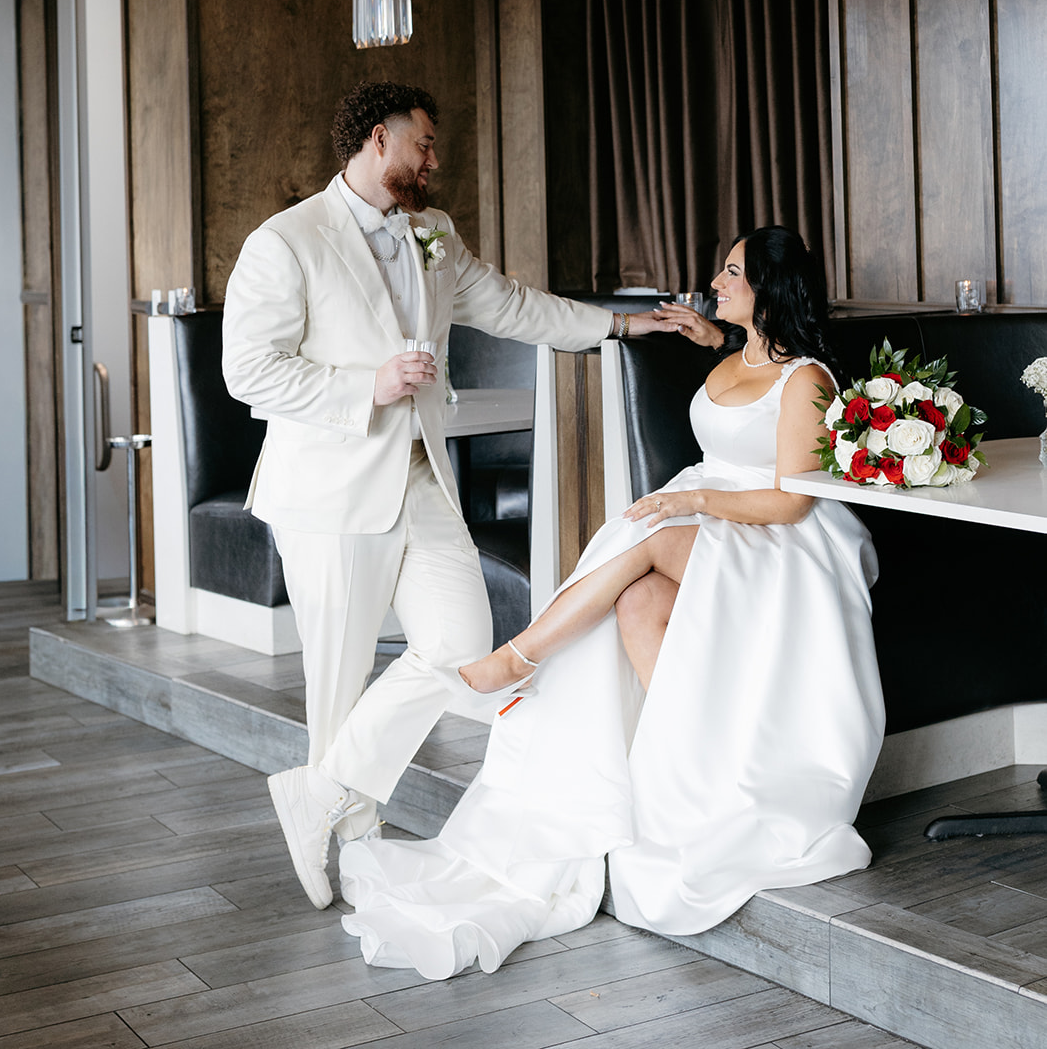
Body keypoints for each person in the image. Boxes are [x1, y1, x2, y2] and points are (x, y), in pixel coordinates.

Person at [339, 226, 886, 979]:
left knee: (646, 536)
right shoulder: (734, 353)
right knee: (636, 602)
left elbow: (790, 500)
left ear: (768, 287)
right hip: (712, 520)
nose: (715, 282)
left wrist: (693, 500)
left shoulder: (806, 380)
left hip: (778, 542)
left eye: (731, 272)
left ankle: (517, 658)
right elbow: (735, 391)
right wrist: (711, 338)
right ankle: (689, 753)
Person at [221, 80, 671, 911]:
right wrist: (368, 385)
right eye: (423, 143)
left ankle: (319, 793)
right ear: (378, 139)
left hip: (421, 474)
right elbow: (247, 371)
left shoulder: (433, 233)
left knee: (460, 642)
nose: (433, 160)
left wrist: (618, 324)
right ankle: (354, 842)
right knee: (339, 675)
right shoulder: (286, 240)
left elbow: (509, 306)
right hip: (328, 490)